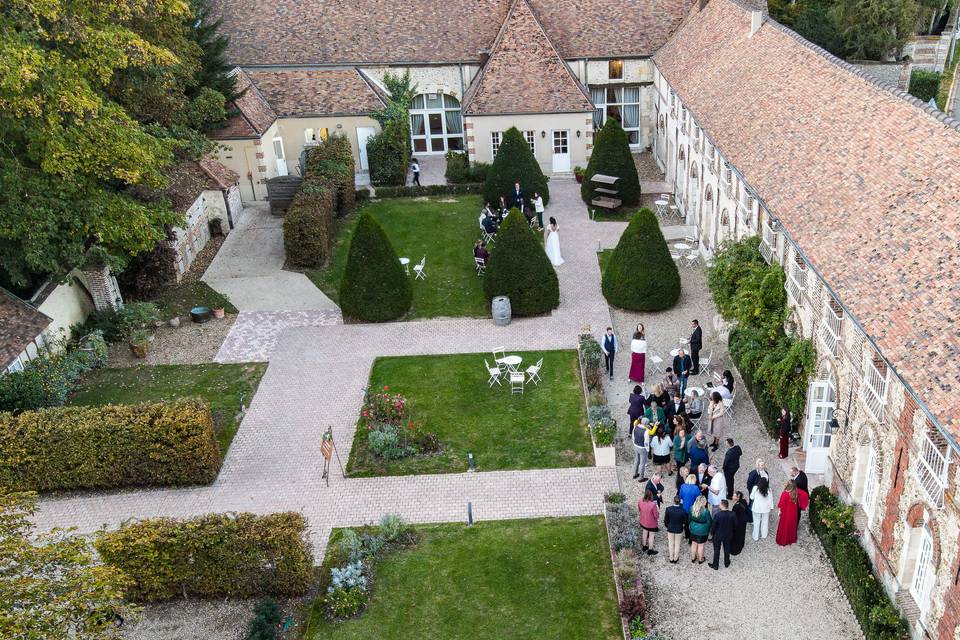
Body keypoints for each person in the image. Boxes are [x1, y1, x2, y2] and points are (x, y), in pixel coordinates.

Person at [709, 499, 736, 569]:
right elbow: (735, 525)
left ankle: (715, 565)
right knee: (727, 549)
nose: (719, 505)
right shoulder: (732, 514)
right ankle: (727, 563)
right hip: (728, 535)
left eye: (720, 504)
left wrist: (712, 533)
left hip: (718, 535)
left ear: (722, 505)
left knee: (717, 550)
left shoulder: (718, 515)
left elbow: (713, 526)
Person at [776, 481, 803, 546]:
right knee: (791, 525)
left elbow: (781, 504)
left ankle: (784, 540)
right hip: (793, 512)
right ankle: (791, 538)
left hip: (786, 512)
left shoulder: (784, 494)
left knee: (784, 525)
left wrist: (779, 511)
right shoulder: (795, 493)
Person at [663, 495, 687, 563]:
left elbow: (666, 520)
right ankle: (676, 558)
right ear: (680, 502)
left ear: (673, 501)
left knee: (670, 543)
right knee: (677, 544)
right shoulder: (683, 511)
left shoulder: (668, 509)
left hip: (670, 528)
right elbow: (685, 521)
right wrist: (682, 525)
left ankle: (671, 558)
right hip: (679, 529)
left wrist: (667, 526)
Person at [688, 496, 712, 564]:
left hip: (693, 528)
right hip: (703, 530)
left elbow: (689, 519)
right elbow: (709, 522)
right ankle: (701, 559)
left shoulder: (691, 508)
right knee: (701, 545)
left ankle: (693, 558)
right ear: (703, 502)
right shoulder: (706, 511)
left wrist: (690, 526)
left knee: (694, 543)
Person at [745, 458, 769, 523]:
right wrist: (753, 491)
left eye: (763, 465)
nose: (763, 466)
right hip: (755, 492)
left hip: (763, 491)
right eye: (761, 465)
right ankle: (750, 519)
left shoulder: (766, 472)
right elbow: (749, 484)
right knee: (752, 504)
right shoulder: (753, 474)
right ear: (757, 466)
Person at [637, 489, 660, 555]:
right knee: (651, 536)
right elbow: (656, 516)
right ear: (651, 496)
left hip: (643, 521)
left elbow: (639, 510)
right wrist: (658, 510)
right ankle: (650, 550)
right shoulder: (653, 504)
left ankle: (644, 546)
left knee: (644, 533)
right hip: (651, 524)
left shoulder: (640, 501)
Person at [730, 491, 749, 555]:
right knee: (742, 533)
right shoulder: (744, 501)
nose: (732, 497)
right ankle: (741, 545)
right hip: (744, 521)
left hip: (738, 522)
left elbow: (733, 516)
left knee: (737, 535)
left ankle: (736, 549)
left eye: (734, 496)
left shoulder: (736, 506)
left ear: (738, 497)